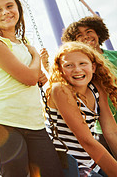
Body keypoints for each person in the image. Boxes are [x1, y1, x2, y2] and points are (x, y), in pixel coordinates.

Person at [0, 0, 63, 177]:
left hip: (35, 121)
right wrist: (35, 57)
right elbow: (28, 77)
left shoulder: (24, 43)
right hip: (6, 123)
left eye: (9, 6)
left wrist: (38, 73)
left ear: (18, 8)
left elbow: (34, 77)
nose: (5, 12)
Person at [46, 41, 117, 176]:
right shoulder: (60, 90)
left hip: (88, 162)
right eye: (69, 65)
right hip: (65, 164)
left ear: (93, 67)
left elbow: (112, 132)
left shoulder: (96, 89)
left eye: (82, 63)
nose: (77, 69)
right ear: (60, 70)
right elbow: (86, 140)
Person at [62, 15, 117, 156]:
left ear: (98, 32)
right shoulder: (80, 68)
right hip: (105, 127)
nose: (86, 36)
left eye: (89, 31)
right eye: (79, 35)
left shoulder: (114, 56)